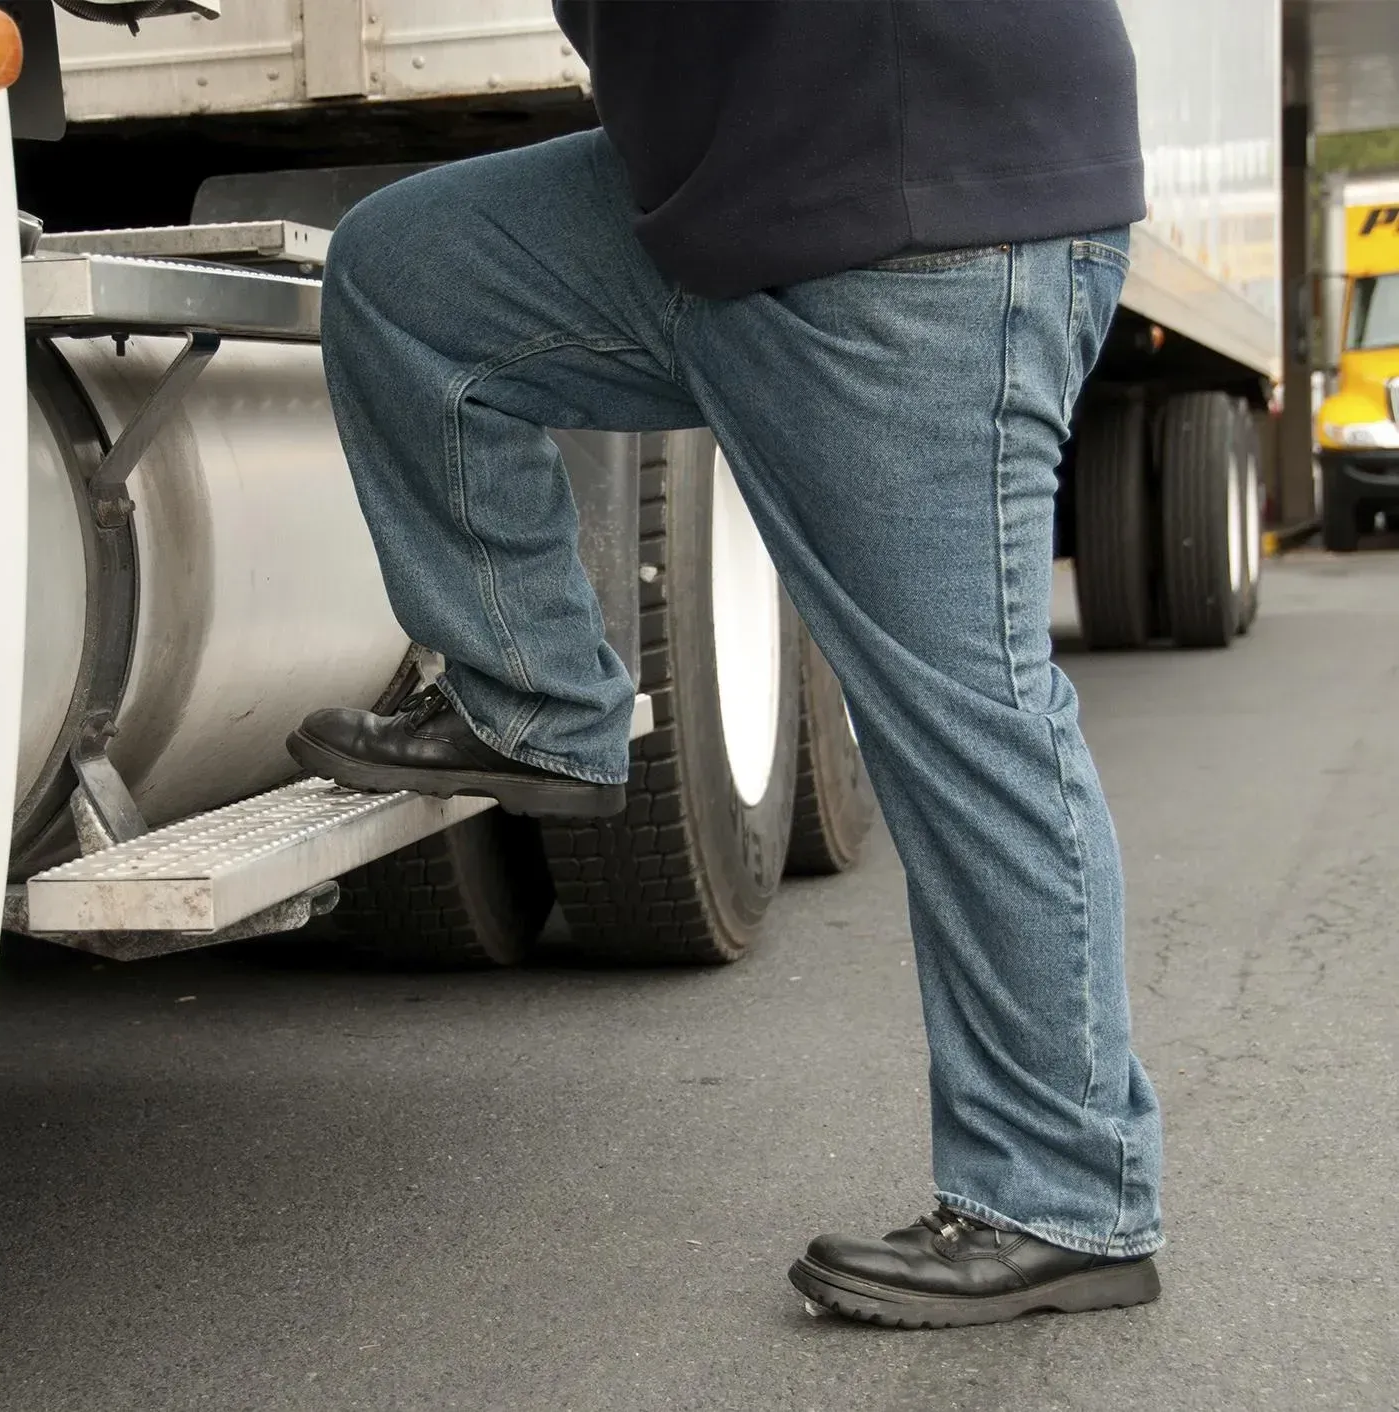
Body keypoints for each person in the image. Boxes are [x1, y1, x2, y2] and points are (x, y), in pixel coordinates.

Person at [288, 0, 1164, 1329]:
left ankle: (1063, 1198)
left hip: (911, 205)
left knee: (966, 719)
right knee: (412, 272)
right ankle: (537, 700)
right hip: (722, 193)